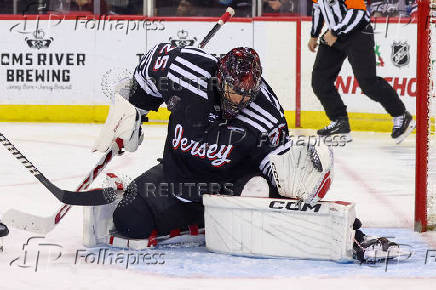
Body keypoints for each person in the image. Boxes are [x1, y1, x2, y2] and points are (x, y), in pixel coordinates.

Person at [92, 43, 407, 263]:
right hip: (177, 179)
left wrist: (350, 232)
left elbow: (289, 174)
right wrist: (135, 110)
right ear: (221, 77)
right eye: (233, 91)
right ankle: (203, 221)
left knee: (266, 185)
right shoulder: (183, 69)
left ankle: (222, 214)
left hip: (231, 189)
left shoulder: (265, 113)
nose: (239, 100)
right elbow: (147, 70)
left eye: (247, 95)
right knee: (128, 221)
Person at [308, 0, 415, 144]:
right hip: (335, 34)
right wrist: (314, 34)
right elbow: (318, 8)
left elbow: (358, 13)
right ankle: (340, 121)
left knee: (367, 82)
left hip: (358, 33)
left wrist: (334, 32)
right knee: (319, 81)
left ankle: (401, 115)